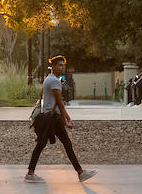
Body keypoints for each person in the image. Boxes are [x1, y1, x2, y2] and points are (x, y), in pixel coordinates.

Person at [26, 55, 98, 183]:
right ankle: (80, 173)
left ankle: (30, 173)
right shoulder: (54, 81)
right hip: (53, 118)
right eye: (60, 65)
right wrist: (66, 120)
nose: (63, 67)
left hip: (49, 117)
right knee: (65, 144)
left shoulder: (50, 79)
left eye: (64, 65)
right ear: (53, 67)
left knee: (42, 144)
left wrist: (65, 117)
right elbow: (59, 103)